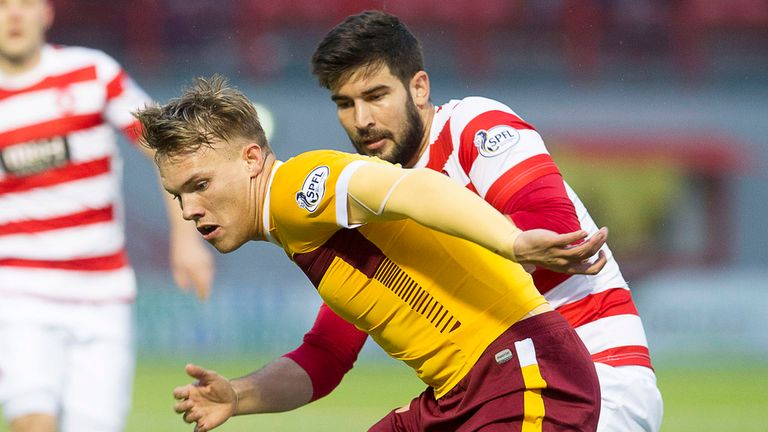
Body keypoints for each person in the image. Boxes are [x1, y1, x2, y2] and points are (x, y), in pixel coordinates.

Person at [247, 10, 663, 432]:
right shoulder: (372, 196)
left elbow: (550, 226)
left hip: (594, 377)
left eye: (376, 96)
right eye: (345, 103)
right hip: (494, 386)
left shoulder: (473, 125)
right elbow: (328, 352)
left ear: (419, 88)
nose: (362, 120)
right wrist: (235, 396)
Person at [137, 75, 610, 431]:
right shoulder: (309, 235)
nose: (189, 210)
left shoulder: (296, 189)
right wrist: (236, 397)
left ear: (252, 158)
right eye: (178, 195)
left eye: (200, 185)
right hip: (464, 392)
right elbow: (326, 354)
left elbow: (408, 188)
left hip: (522, 374)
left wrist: (514, 240)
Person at [0, 1, 214, 432]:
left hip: (102, 293)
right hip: (19, 290)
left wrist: (185, 237)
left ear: (46, 11)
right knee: (32, 421)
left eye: (25, 3)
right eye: (3, 6)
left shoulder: (94, 73)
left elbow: (163, 148)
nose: (14, 15)